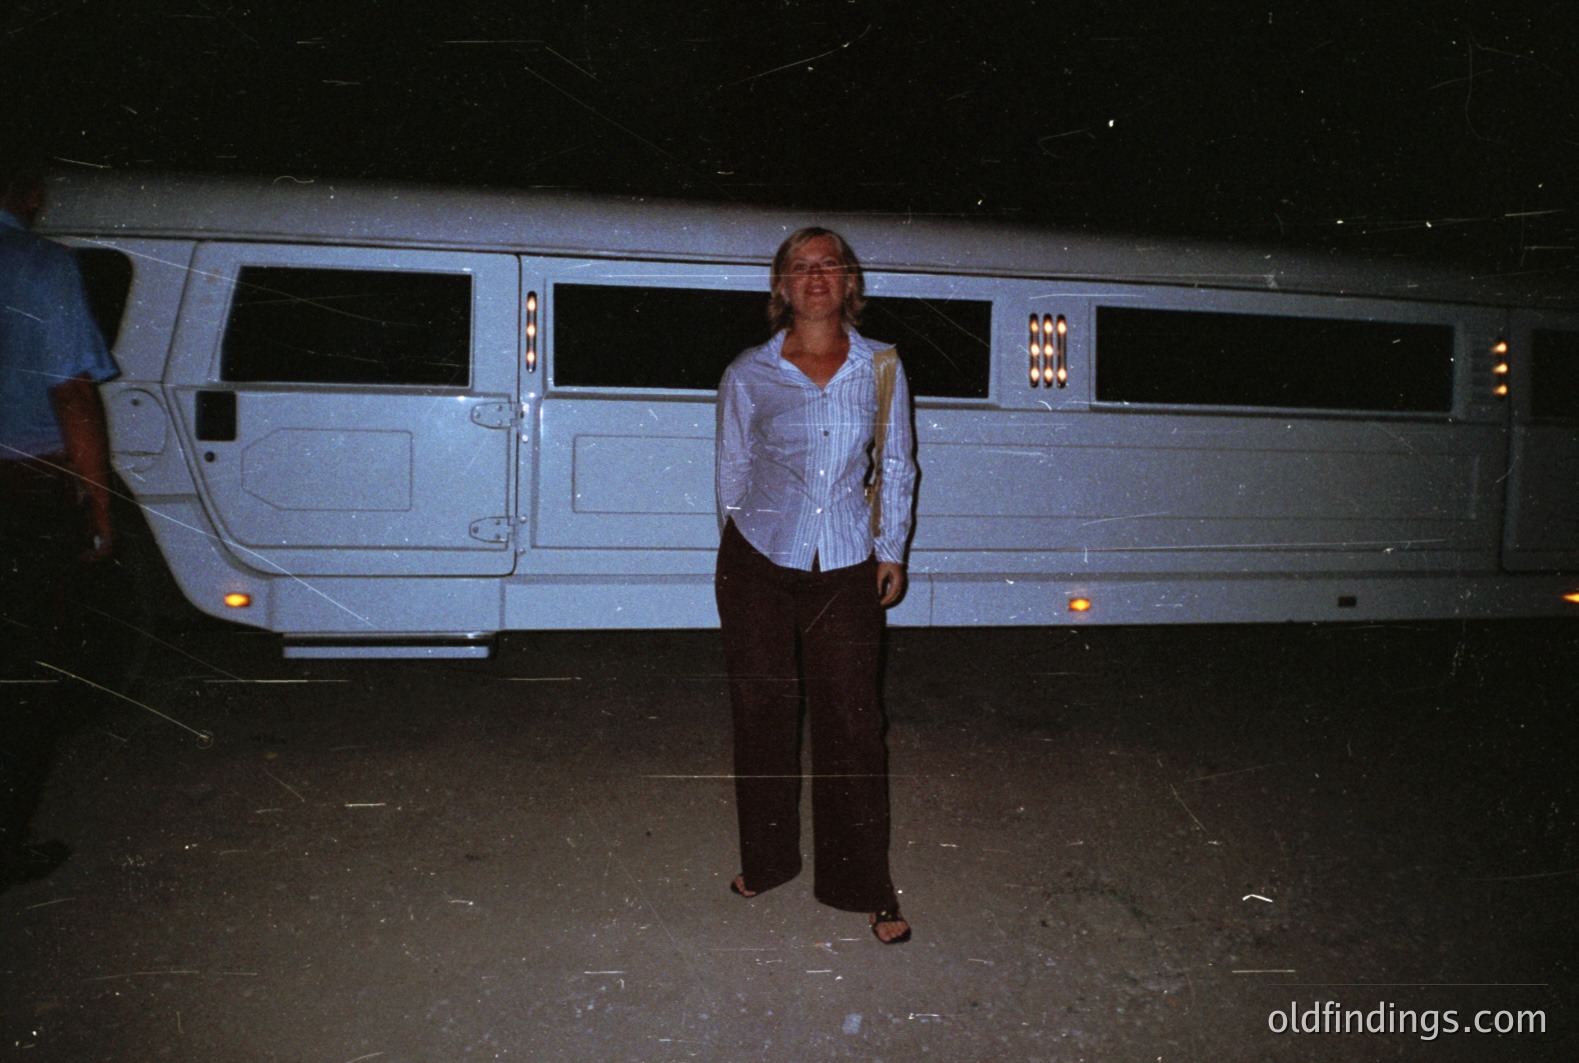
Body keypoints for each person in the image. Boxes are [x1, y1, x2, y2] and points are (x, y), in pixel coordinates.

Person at [714, 227, 918, 944]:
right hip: (759, 560)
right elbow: (732, 473)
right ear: (780, 287)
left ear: (849, 281)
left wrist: (888, 547)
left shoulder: (881, 367)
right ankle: (766, 862)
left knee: (852, 723)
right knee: (762, 714)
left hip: (844, 562)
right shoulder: (749, 372)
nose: (815, 275)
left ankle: (863, 883)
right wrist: (738, 552)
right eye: (800, 266)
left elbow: (895, 465)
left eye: (828, 262)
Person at [0, 165, 121, 890]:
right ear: (32, 192)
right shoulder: (41, 264)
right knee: (18, 672)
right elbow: (72, 391)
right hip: (20, 491)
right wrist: (98, 502)